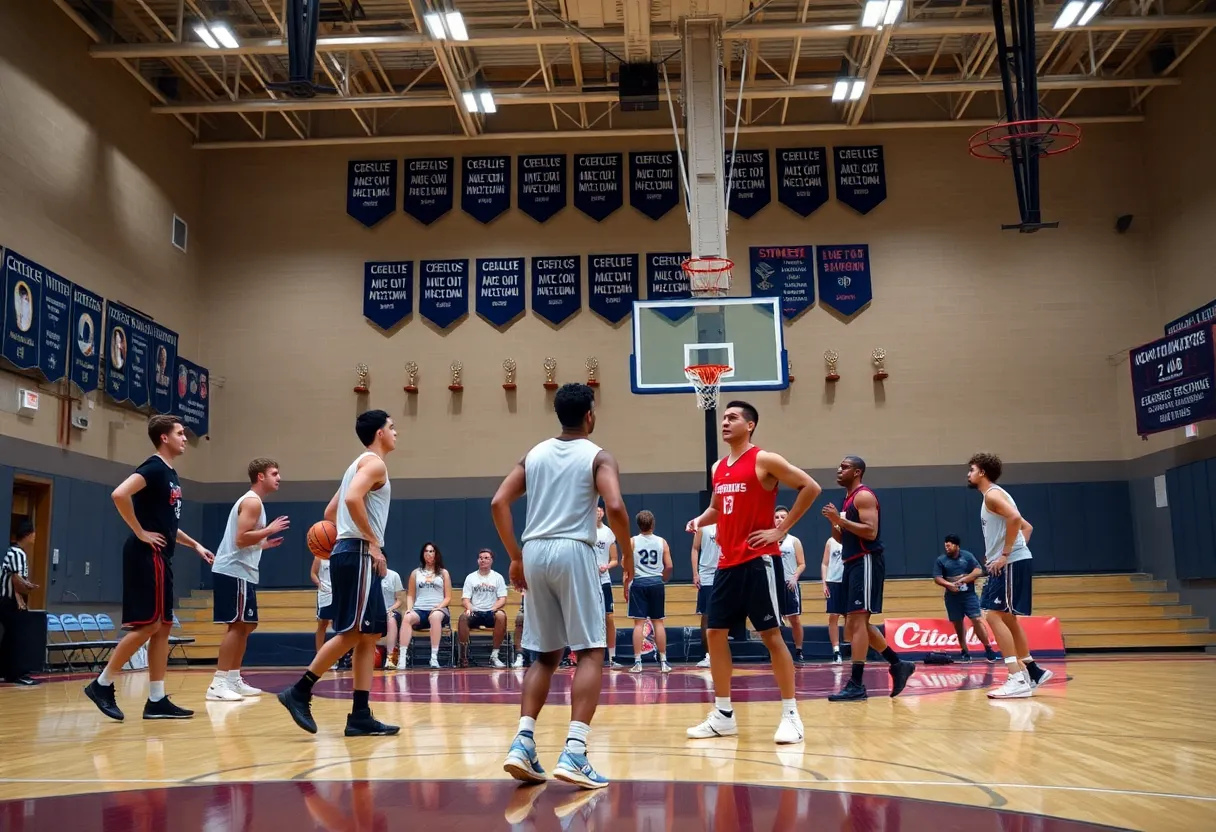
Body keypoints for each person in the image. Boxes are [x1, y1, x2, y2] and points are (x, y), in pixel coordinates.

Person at [492, 382, 633, 789]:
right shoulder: (598, 456)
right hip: (574, 548)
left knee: (545, 656)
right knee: (590, 651)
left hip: (535, 551)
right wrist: (625, 555)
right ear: (590, 415)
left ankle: (523, 743)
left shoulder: (534, 454)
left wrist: (516, 556)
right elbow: (615, 506)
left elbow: (498, 502)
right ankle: (574, 751)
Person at [685, 401, 820, 744]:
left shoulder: (764, 460)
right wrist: (699, 520)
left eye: (732, 418)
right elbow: (717, 507)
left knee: (771, 635)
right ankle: (723, 714)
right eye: (723, 418)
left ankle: (791, 715)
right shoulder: (718, 467)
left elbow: (810, 487)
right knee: (715, 633)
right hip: (726, 564)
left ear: (750, 425)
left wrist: (781, 530)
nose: (725, 422)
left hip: (759, 561)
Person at [84, 415, 215, 721]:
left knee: (163, 627)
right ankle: (101, 684)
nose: (185, 438)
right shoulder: (154, 467)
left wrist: (195, 545)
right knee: (150, 625)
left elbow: (167, 525)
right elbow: (119, 494)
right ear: (164, 438)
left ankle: (156, 699)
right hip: (146, 554)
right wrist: (140, 532)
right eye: (180, 433)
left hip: (161, 554)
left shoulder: (170, 474)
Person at [277, 410, 398, 736]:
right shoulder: (374, 464)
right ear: (379, 433)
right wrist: (372, 541)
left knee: (369, 635)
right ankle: (299, 691)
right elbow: (352, 499)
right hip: (358, 552)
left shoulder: (355, 466)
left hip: (350, 551)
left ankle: (360, 715)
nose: (395, 432)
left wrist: (349, 536)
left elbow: (331, 511)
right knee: (353, 632)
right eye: (391, 427)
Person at [824, 456, 916, 702]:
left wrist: (840, 520)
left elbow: (871, 532)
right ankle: (898, 664)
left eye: (844, 467)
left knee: (857, 622)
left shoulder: (863, 496)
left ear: (857, 472)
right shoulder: (847, 499)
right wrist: (835, 523)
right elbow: (841, 538)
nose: (839, 469)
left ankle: (857, 683)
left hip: (866, 560)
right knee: (857, 624)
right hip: (851, 562)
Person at [967, 453, 1053, 698]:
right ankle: (1033, 671)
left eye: (972, 469)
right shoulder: (997, 495)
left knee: (992, 615)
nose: (968, 474)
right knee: (1008, 618)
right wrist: (1008, 551)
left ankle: (1016, 677)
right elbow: (1027, 527)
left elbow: (1016, 519)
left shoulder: (992, 495)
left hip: (1010, 563)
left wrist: (1005, 554)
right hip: (1013, 561)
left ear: (982, 472)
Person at [207, 459, 289, 702]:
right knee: (237, 625)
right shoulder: (252, 502)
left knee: (246, 626)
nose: (279, 477)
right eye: (274, 473)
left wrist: (263, 544)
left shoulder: (255, 502)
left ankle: (233, 679)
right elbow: (241, 539)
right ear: (260, 476)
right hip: (233, 571)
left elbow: (245, 541)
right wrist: (269, 530)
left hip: (243, 571)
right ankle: (218, 683)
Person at [934, 534, 997, 663]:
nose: (947, 548)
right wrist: (949, 585)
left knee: (977, 619)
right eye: (945, 546)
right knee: (958, 624)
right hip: (952, 597)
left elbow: (978, 571)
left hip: (969, 595)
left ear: (956, 546)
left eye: (949, 546)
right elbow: (937, 578)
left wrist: (964, 579)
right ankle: (964, 650)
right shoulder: (941, 560)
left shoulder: (967, 556)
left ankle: (988, 648)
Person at [625, 510, 672, 674]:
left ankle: (638, 662)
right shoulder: (661, 542)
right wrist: (662, 579)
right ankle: (664, 662)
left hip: (639, 582)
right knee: (658, 622)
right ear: (653, 524)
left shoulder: (632, 542)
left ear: (638, 525)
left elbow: (626, 566)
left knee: (639, 624)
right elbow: (669, 566)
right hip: (656, 582)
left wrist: (626, 585)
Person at [402, 543, 452, 669]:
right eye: (426, 551)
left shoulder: (443, 573)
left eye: (431, 551)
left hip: (438, 609)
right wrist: (409, 609)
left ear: (436, 554)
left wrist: (438, 607)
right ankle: (402, 657)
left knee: (435, 617)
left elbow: (448, 597)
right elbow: (410, 595)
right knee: (407, 618)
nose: (428, 553)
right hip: (420, 609)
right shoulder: (416, 573)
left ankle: (433, 658)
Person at [1, 521, 40, 686]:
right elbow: (16, 579)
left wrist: (26, 585)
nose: (35, 536)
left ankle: (9, 672)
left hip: (7, 600)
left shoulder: (13, 551)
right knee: (20, 636)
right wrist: (24, 592)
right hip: (8, 601)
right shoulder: (18, 553)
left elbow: (15, 577)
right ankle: (19, 673)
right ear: (28, 534)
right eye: (34, 533)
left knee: (11, 636)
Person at [458, 548, 509, 668]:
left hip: (491, 612)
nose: (483, 560)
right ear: (477, 561)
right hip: (475, 611)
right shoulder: (471, 577)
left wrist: (494, 608)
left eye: (486, 558)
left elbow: (502, 599)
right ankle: (463, 656)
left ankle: (494, 656)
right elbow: (465, 599)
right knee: (463, 617)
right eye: (481, 558)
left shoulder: (498, 577)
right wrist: (470, 608)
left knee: (501, 616)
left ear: (491, 561)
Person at [774, 506, 806, 663]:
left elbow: (802, 563)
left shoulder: (794, 541)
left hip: (789, 584)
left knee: (794, 619)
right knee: (774, 621)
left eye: (783, 517)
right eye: (777, 517)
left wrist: (795, 577)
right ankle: (776, 652)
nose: (779, 520)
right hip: (773, 585)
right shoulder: (768, 540)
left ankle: (798, 650)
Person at [593, 505, 623, 669]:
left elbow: (615, 559)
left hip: (603, 581)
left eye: (600, 509)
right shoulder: (584, 530)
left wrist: (607, 566)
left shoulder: (608, 533)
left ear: (603, 513)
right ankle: (587, 656)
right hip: (588, 582)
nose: (597, 512)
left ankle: (612, 657)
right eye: (595, 509)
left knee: (609, 617)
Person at [690, 521, 720, 669]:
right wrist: (695, 573)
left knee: (723, 617)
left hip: (725, 573)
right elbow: (695, 549)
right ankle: (708, 655)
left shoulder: (729, 523)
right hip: (707, 575)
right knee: (706, 616)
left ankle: (720, 654)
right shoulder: (702, 527)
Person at [821, 534, 844, 664]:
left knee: (852, 617)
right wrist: (824, 583)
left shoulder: (853, 538)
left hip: (849, 582)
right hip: (833, 582)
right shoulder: (830, 541)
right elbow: (825, 564)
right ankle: (836, 651)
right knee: (833, 616)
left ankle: (854, 647)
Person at [381, 566, 404, 668]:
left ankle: (390, 658)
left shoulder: (394, 575)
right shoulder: (368, 575)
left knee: (391, 619)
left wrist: (390, 609)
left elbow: (399, 600)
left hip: (391, 610)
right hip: (375, 612)